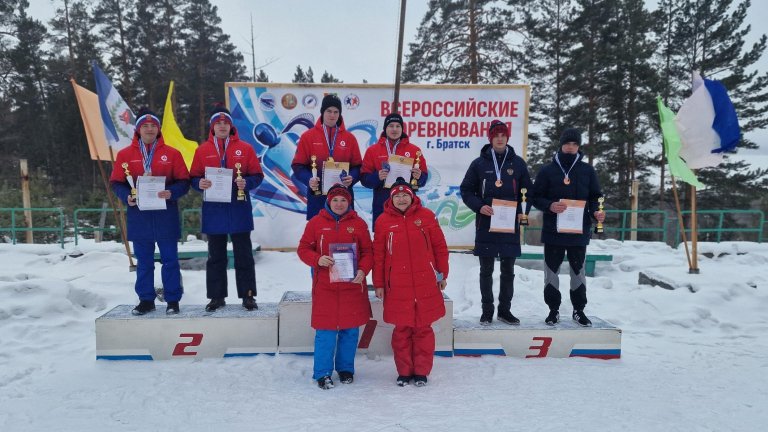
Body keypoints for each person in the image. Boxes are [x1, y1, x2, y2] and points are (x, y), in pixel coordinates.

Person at [110, 108, 190, 315]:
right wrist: (126, 196)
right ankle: (146, 300)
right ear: (137, 129)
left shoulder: (172, 153)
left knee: (170, 260)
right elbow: (117, 182)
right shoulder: (125, 155)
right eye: (145, 126)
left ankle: (173, 299)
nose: (149, 129)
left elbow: (184, 182)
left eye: (153, 125)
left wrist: (171, 192)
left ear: (158, 128)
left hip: (166, 216)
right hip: (140, 216)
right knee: (144, 262)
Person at [373, 178, 448, 387]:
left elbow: (440, 247)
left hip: (426, 282)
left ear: (412, 197)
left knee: (423, 329)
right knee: (402, 330)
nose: (401, 199)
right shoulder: (382, 221)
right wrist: (379, 283)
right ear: (391, 199)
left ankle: (422, 372)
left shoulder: (426, 216)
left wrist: (442, 275)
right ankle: (404, 372)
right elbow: (378, 256)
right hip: (397, 284)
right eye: (397, 195)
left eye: (405, 195)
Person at [296, 184, 373, 390]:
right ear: (329, 201)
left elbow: (368, 252)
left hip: (352, 286)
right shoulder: (316, 223)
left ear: (349, 202)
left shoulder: (358, 224)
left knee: (350, 330)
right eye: (335, 200)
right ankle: (322, 373)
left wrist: (363, 270)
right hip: (325, 287)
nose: (339, 204)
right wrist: (317, 259)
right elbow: (303, 249)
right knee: (326, 332)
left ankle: (346, 369)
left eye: (344, 200)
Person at [189, 105, 264, 312]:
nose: (222, 126)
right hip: (214, 210)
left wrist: (246, 183)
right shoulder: (202, 150)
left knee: (244, 255)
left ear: (231, 126)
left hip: (238, 207)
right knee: (215, 256)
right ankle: (216, 296)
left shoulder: (246, 148)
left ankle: (248, 295)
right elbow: (193, 176)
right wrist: (199, 184)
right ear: (212, 127)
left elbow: (257, 175)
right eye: (218, 123)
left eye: (226, 123)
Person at [460, 120, 532, 326]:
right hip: (486, 224)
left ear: (507, 137)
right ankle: (486, 310)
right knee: (486, 270)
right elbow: (466, 190)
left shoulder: (518, 164)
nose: (499, 138)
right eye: (496, 135)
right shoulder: (479, 163)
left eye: (503, 135)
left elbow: (528, 192)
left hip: (510, 226)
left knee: (508, 270)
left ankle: (505, 310)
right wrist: (479, 206)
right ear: (490, 138)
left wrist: (521, 212)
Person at [530, 128, 605, 327]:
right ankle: (553, 310)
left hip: (578, 232)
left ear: (579, 147)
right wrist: (550, 205)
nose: (571, 147)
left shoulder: (587, 171)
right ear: (561, 145)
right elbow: (535, 197)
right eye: (567, 143)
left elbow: (595, 197)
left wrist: (596, 212)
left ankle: (579, 310)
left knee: (578, 271)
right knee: (551, 272)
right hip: (554, 231)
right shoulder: (548, 170)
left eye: (574, 144)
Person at [291, 94, 363, 220]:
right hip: (317, 196)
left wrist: (353, 177)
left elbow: (358, 166)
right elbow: (298, 166)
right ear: (322, 112)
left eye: (336, 112)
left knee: (344, 234)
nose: (332, 115)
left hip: (343, 197)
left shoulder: (349, 138)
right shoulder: (308, 137)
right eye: (329, 111)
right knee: (318, 234)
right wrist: (309, 179)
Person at [360, 112, 428, 227]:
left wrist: (419, 176)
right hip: (382, 203)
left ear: (402, 129)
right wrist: (377, 177)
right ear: (385, 128)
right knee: (382, 238)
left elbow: (424, 178)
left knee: (408, 235)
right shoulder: (373, 151)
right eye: (391, 126)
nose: (394, 129)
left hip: (407, 205)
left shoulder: (414, 150)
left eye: (398, 126)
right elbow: (364, 179)